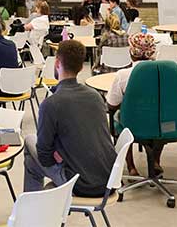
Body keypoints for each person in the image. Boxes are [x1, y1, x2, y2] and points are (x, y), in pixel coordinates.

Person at [24, 40, 116, 196]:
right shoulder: (95, 96)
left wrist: (57, 155)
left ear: (57, 63)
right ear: (81, 67)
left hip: (80, 184)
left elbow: (44, 157)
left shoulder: (50, 104)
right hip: (109, 179)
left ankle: (32, 206)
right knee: (33, 161)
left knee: (29, 142)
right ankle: (34, 204)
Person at [107, 33, 159, 176]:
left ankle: (131, 167)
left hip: (132, 124)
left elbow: (112, 104)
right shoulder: (164, 72)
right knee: (157, 119)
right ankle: (155, 161)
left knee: (122, 119)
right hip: (161, 124)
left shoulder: (123, 75)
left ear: (131, 52)